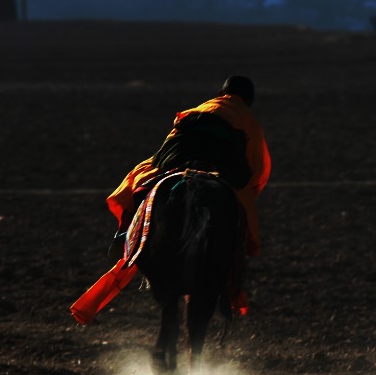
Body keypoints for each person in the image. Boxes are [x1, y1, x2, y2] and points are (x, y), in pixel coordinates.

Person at [106, 76, 271, 259]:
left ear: (221, 93)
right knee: (243, 210)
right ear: (249, 102)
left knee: (142, 177)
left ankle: (124, 234)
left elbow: (173, 137)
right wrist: (248, 188)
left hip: (183, 154)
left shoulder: (200, 108)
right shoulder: (250, 121)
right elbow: (258, 165)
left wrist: (161, 162)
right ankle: (243, 250)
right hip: (224, 161)